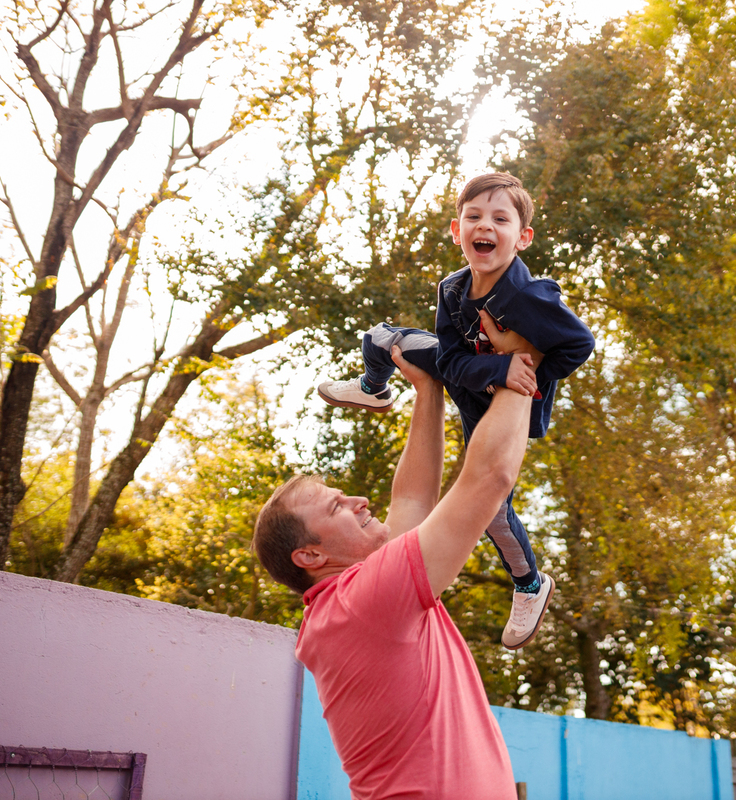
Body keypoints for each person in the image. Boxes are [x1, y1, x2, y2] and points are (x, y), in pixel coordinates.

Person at [316, 172, 594, 649]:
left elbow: (580, 344)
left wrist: (525, 374)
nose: (485, 225)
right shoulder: (452, 289)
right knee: (384, 339)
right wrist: (492, 365)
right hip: (469, 373)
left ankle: (529, 584)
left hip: (493, 404)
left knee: (489, 509)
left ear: (521, 237)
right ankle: (373, 387)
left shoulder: (530, 297)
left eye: (500, 219)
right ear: (456, 229)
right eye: (474, 216)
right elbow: (446, 357)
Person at [253, 346, 536, 799]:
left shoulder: (349, 606)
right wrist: (522, 358)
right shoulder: (362, 602)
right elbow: (490, 477)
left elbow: (410, 503)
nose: (358, 501)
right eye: (336, 506)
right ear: (309, 556)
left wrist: (428, 389)